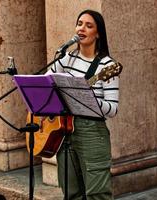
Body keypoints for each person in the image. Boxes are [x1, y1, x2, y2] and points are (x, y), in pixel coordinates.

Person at [46, 9, 120, 200]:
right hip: (63, 131)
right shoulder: (65, 58)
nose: (82, 28)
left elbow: (112, 108)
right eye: (79, 24)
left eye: (89, 25)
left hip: (92, 132)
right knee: (71, 192)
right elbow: (45, 86)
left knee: (97, 194)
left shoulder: (107, 66)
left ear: (98, 33)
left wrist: (91, 100)